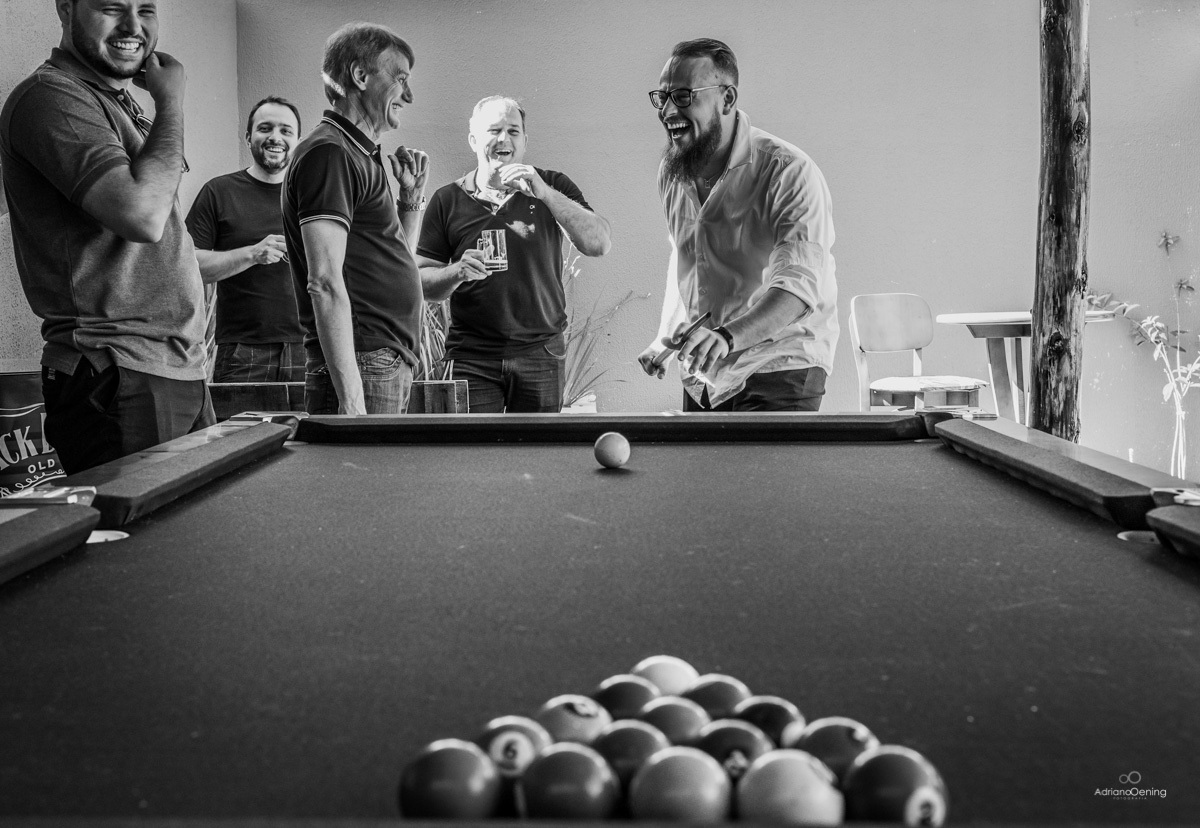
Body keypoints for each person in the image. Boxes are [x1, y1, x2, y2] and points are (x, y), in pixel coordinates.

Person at [0, 0, 213, 474]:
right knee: (140, 547)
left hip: (171, 366)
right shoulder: (51, 97)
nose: (133, 27)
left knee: (186, 542)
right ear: (66, 8)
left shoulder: (116, 101)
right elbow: (142, 216)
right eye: (113, 8)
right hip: (115, 368)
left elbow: (163, 243)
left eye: (147, 10)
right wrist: (172, 101)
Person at [637, 38, 838, 411]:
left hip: (780, 365)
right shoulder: (672, 171)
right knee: (702, 473)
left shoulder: (788, 171)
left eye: (683, 96)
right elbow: (689, 258)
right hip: (706, 371)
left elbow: (797, 288)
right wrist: (665, 336)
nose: (667, 111)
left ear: (727, 98)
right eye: (661, 97)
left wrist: (727, 338)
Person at [417, 96, 611, 413]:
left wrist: (545, 195)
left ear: (524, 141)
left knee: (539, 455)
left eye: (513, 131)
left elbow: (598, 243)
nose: (504, 139)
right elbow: (423, 283)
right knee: (473, 457)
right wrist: (458, 271)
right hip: (472, 357)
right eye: (494, 130)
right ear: (474, 140)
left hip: (541, 352)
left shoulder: (553, 185)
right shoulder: (447, 200)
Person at [282, 22, 428, 415]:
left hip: (382, 361)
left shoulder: (358, 152)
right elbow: (324, 282)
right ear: (360, 77)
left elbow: (395, 258)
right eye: (400, 79)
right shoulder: (329, 153)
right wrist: (351, 401)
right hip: (365, 366)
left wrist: (410, 201)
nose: (408, 95)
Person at [186, 96, 305, 383]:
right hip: (242, 352)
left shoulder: (315, 196)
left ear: (298, 140)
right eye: (265, 128)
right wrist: (253, 254)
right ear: (249, 137)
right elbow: (186, 266)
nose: (275, 137)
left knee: (315, 430)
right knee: (241, 431)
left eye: (286, 131)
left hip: (312, 348)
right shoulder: (219, 192)